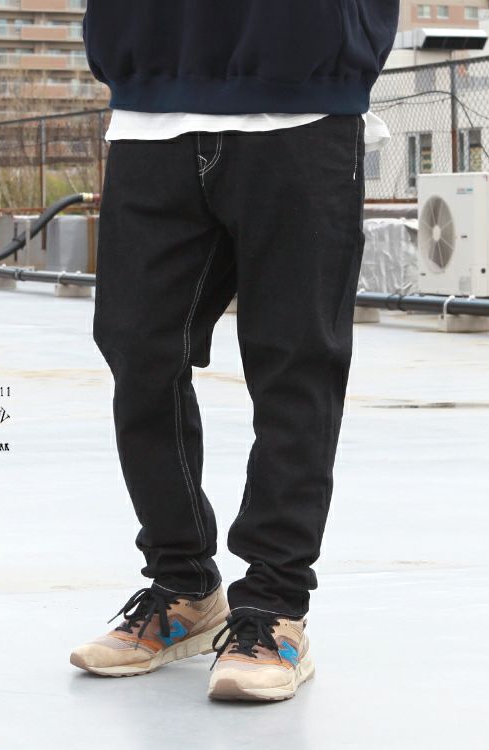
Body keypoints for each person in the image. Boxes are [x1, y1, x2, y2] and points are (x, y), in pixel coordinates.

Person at [70, 0, 399, 702]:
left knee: (294, 363)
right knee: (138, 351)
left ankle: (274, 607)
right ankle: (183, 587)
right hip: (151, 101)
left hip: (302, 96)